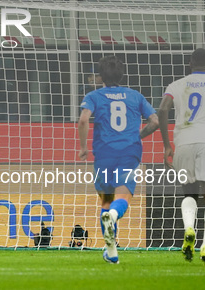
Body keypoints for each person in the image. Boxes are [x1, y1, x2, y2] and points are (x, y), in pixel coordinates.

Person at [78, 56, 159, 264]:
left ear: (100, 76)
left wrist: (84, 147)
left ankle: (111, 250)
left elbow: (84, 119)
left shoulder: (94, 95)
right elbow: (155, 121)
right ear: (122, 75)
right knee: (122, 199)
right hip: (128, 153)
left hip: (103, 154)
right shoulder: (135, 96)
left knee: (106, 201)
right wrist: (138, 136)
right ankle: (113, 219)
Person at [157, 48, 205, 262]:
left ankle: (189, 229)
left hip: (184, 142)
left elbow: (162, 109)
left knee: (189, 193)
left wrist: (167, 145)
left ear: (190, 63)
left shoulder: (176, 85)